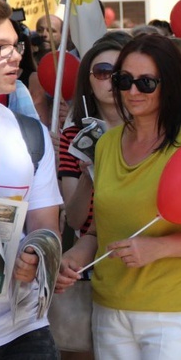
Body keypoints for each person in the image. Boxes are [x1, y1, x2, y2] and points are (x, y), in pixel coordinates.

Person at [56, 35, 181, 359]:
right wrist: (76, 257)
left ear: (169, 83)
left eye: (145, 83)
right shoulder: (106, 144)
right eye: (124, 80)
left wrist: (159, 248)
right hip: (111, 307)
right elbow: (99, 229)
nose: (132, 91)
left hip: (178, 311)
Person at [0, 0, 62, 357]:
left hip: (22, 331)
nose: (16, 55)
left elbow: (46, 227)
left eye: (15, 44)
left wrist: (36, 252)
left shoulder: (30, 134)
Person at [59, 36, 130, 235]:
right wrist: (87, 177)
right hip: (92, 253)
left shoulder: (149, 131)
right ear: (88, 82)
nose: (113, 80)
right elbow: (74, 220)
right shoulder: (73, 137)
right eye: (103, 72)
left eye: (121, 73)